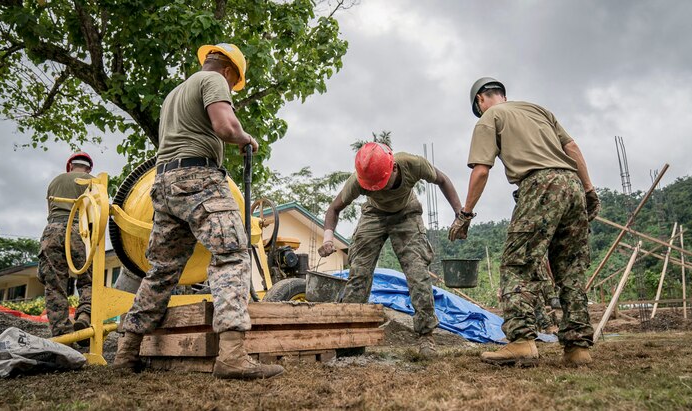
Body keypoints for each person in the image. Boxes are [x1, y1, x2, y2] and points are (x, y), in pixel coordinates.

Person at [112, 43, 283, 379]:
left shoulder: (174, 94)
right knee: (233, 254)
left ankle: (126, 353)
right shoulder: (214, 80)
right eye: (235, 84)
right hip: (198, 179)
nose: (232, 88)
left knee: (162, 269)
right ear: (230, 70)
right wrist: (246, 138)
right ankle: (232, 355)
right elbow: (225, 126)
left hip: (163, 183)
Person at [449, 77, 600, 366]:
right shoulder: (539, 110)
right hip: (572, 184)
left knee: (517, 265)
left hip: (539, 185)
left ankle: (521, 342)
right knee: (570, 269)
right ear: (502, 95)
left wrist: (465, 214)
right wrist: (589, 189)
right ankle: (578, 349)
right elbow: (573, 149)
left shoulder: (489, 118)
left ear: (481, 100)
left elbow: (481, 171)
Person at [319, 142, 462, 358]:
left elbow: (442, 180)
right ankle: (350, 335)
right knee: (359, 273)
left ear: (393, 168)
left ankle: (426, 336)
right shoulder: (358, 180)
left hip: (407, 213)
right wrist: (328, 238)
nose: (379, 189)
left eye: (381, 183)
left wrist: (460, 213)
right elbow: (334, 208)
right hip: (373, 215)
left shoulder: (412, 164)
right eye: (373, 186)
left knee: (418, 273)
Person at [38, 152, 94, 341]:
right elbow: (96, 213)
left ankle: (62, 336)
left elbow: (49, 211)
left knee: (55, 285)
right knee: (87, 279)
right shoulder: (93, 181)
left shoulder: (55, 181)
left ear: (70, 166)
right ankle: (85, 316)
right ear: (88, 168)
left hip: (51, 231)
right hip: (79, 229)